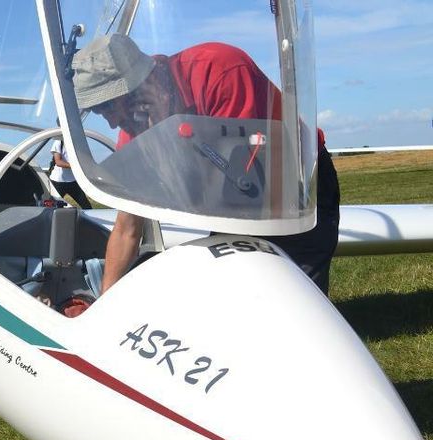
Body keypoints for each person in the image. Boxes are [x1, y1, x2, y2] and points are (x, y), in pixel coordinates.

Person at [72, 34, 339, 295]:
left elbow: (235, 187)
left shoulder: (220, 69)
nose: (111, 122)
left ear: (139, 86)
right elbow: (127, 228)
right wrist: (105, 300)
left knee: (296, 295)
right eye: (100, 112)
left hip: (293, 179)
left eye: (108, 106)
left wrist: (167, 125)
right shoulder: (134, 127)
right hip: (233, 204)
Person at [48, 139, 93, 209]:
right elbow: (58, 162)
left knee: (86, 206)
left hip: (73, 181)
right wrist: (76, 166)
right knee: (52, 207)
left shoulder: (77, 143)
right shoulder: (59, 142)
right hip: (57, 181)